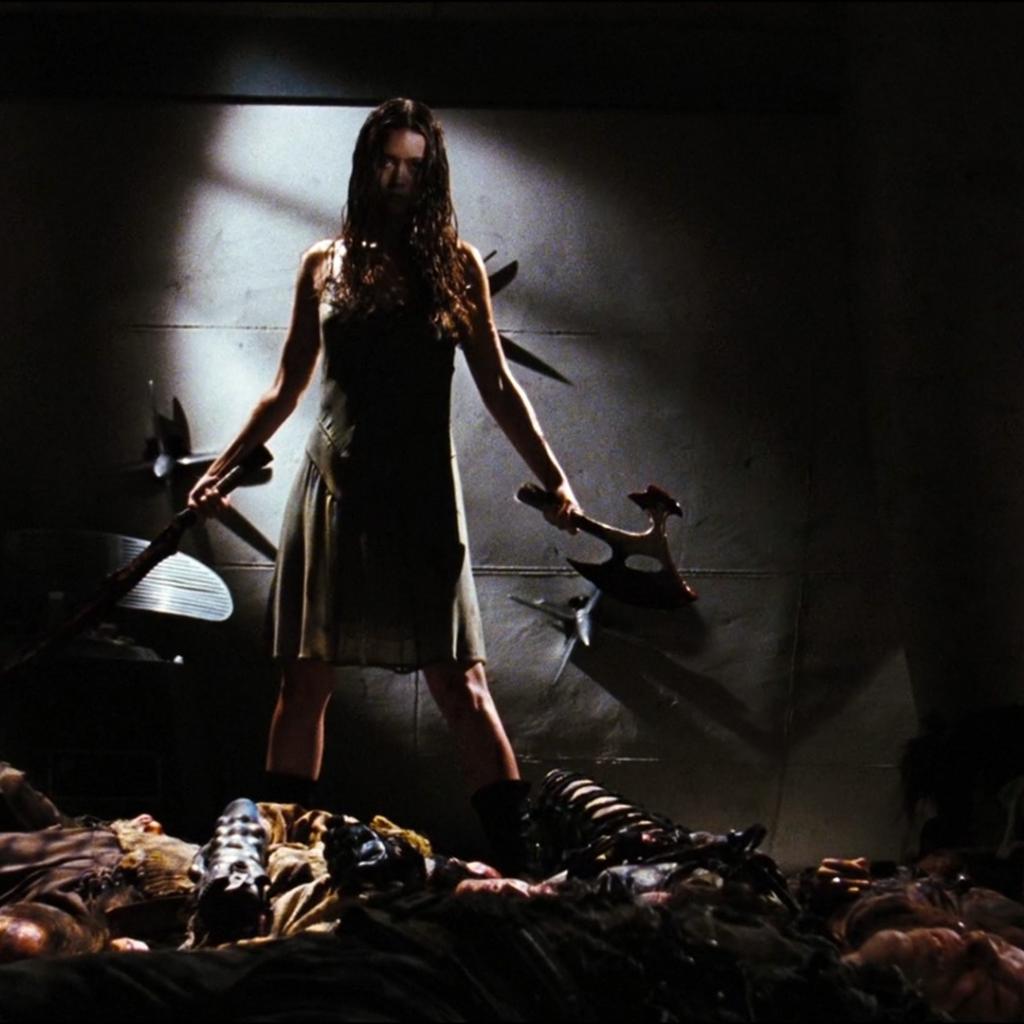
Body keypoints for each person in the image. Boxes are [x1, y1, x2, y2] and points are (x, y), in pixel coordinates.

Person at [188, 98, 580, 870]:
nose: (399, 179)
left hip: (422, 499)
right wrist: (220, 467)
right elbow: (286, 386)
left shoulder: (456, 267)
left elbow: (499, 387)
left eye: (414, 166)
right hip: (333, 490)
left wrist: (556, 481)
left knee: (460, 685)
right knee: (304, 682)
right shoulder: (324, 263)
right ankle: (273, 862)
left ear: (431, 176)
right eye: (387, 162)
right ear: (365, 166)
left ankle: (526, 866)